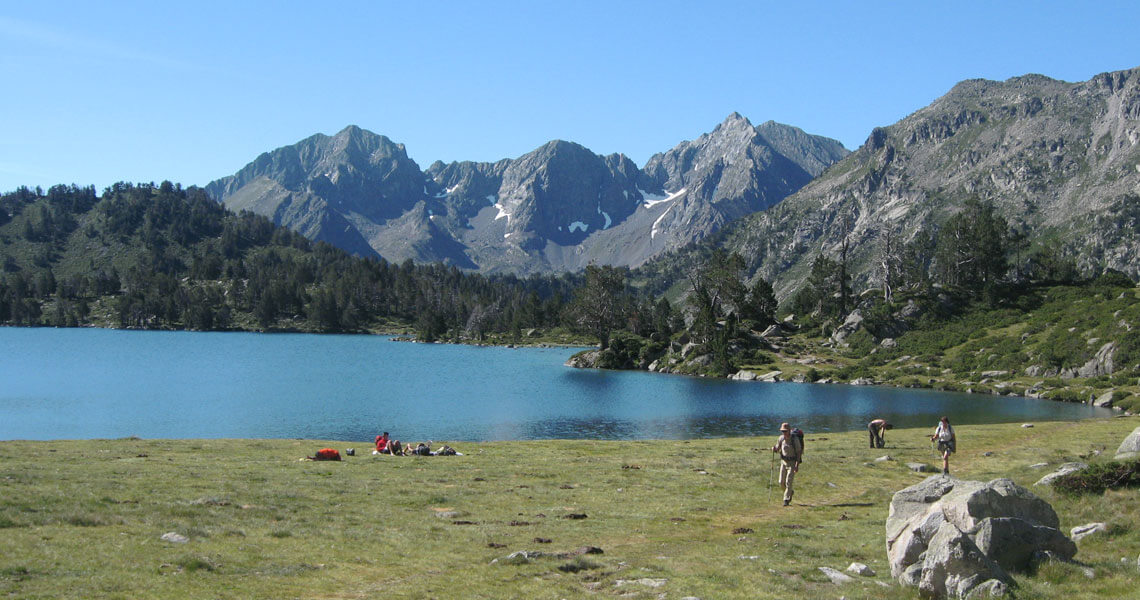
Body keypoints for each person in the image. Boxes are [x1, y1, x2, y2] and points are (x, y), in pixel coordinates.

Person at [771, 422, 803, 506]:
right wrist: (774, 449)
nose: (784, 433)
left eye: (785, 431)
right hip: (783, 462)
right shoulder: (781, 438)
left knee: (789, 481)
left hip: (792, 463)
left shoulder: (794, 439)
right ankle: (790, 492)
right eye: (782, 431)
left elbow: (799, 452)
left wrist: (797, 465)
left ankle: (786, 499)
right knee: (781, 482)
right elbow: (777, 448)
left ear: (789, 430)